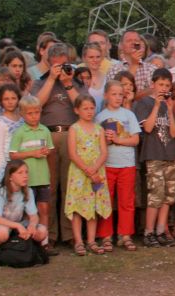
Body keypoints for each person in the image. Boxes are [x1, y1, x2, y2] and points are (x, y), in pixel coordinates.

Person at [31, 42, 86, 246]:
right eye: (57, 65)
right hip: (48, 135)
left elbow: (84, 106)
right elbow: (36, 103)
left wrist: (69, 83)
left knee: (70, 187)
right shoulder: (41, 82)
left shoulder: (76, 80)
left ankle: (70, 234)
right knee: (50, 187)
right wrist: (52, 79)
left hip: (72, 136)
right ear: (49, 63)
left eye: (64, 64)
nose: (62, 68)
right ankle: (50, 234)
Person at [134, 67, 175, 248]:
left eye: (167, 85)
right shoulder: (144, 103)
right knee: (155, 195)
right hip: (154, 154)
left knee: (169, 195)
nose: (163, 88)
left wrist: (169, 110)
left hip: (170, 153)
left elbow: (174, 133)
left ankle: (161, 230)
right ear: (153, 84)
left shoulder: (169, 104)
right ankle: (149, 231)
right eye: (160, 84)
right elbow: (147, 128)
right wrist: (156, 105)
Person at [95, 80, 141, 252]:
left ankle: (125, 235)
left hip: (126, 164)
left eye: (120, 94)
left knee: (126, 200)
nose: (117, 98)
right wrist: (106, 141)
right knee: (106, 200)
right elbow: (96, 143)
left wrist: (118, 140)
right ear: (106, 95)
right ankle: (106, 236)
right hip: (107, 164)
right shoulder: (100, 117)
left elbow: (135, 139)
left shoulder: (129, 115)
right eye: (113, 94)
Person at [65, 94, 112, 256]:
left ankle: (91, 240)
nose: (89, 111)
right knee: (78, 207)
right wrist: (87, 170)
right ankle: (78, 241)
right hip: (79, 173)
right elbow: (72, 153)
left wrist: (95, 168)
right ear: (76, 110)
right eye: (85, 108)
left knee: (93, 205)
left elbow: (104, 152)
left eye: (92, 108)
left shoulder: (99, 129)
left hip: (96, 172)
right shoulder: (74, 129)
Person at [8, 95, 54, 253]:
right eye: (30, 113)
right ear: (22, 114)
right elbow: (13, 154)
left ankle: (44, 242)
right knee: (28, 211)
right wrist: (32, 153)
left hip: (42, 177)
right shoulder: (20, 132)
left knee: (44, 209)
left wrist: (46, 151)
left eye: (37, 112)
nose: (34, 116)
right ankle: (29, 242)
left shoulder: (45, 130)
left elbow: (51, 149)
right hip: (26, 180)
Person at [0, 160, 48, 253]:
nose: (25, 176)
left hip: (15, 226)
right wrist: (18, 226)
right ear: (10, 177)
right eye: (20, 173)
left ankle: (24, 249)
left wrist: (32, 225)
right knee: (2, 232)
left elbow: (34, 216)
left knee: (42, 231)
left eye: (26, 172)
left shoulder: (28, 191)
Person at [0, 84, 23, 183]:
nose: (10, 102)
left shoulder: (22, 120)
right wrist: (2, 172)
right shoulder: (1, 122)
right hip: (8, 165)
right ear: (1, 101)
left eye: (13, 98)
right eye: (6, 99)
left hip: (23, 164)